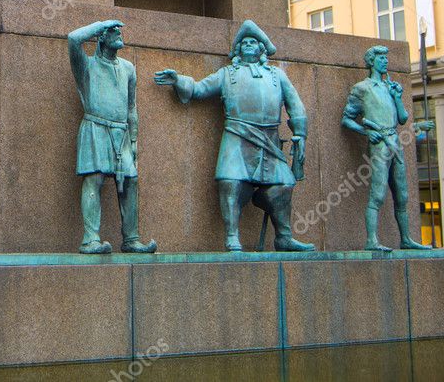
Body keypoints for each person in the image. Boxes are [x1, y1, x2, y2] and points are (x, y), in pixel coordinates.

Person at [155, 20, 314, 252]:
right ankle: (232, 236)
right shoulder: (227, 73)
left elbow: (295, 104)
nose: (248, 45)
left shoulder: (276, 75)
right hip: (237, 135)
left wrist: (300, 132)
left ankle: (283, 236)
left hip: (269, 138)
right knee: (230, 183)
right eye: (244, 42)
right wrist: (179, 80)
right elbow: (200, 89)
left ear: (261, 49)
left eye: (253, 42)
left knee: (285, 184)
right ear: (238, 50)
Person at [68, 19, 157, 254]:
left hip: (122, 133)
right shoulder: (86, 65)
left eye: (118, 31)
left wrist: (135, 140)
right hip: (95, 128)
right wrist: (100, 24)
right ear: (101, 37)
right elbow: (73, 39)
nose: (118, 34)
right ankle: (90, 239)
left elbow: (132, 108)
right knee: (94, 179)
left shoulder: (128, 68)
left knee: (130, 181)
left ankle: (131, 239)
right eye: (112, 32)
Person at [342, 46, 431, 252]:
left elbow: (403, 119)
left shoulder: (390, 87)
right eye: (381, 58)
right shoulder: (362, 88)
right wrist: (366, 132)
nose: (385, 61)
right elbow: (346, 118)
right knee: (378, 193)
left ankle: (406, 239)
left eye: (386, 58)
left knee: (402, 195)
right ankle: (371, 240)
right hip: (379, 143)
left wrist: (397, 97)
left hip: (395, 141)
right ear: (371, 61)